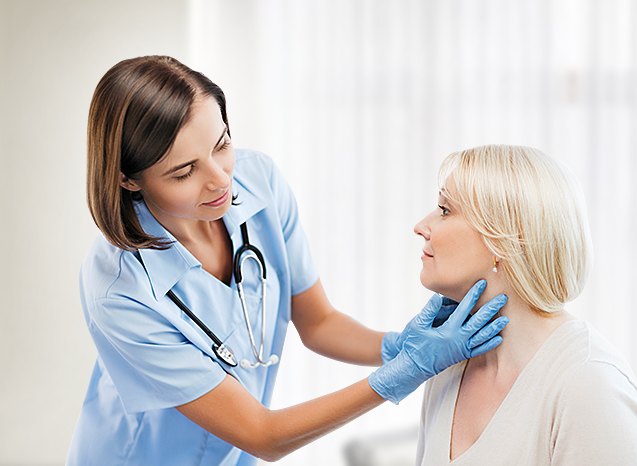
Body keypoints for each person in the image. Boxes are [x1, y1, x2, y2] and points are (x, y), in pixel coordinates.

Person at [66, 56, 510, 466]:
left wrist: (396, 346)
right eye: (184, 172)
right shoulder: (118, 290)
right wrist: (403, 372)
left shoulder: (258, 182)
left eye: (222, 144)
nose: (220, 180)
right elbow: (261, 435)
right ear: (128, 179)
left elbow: (318, 323)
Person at [414, 145, 637, 465]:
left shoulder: (588, 384)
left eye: (445, 210)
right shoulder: (447, 367)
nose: (421, 226)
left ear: (501, 239)